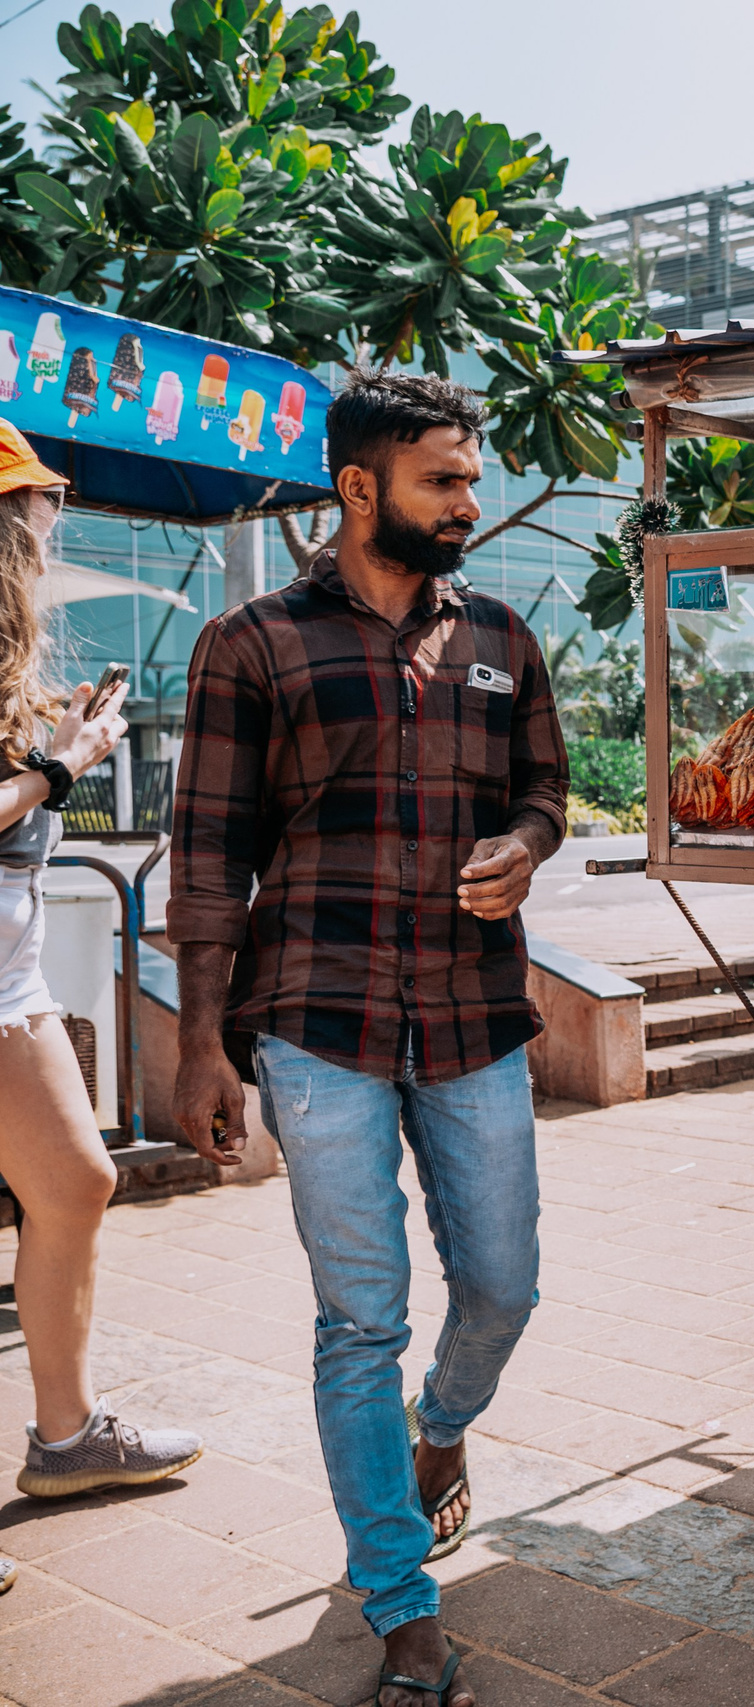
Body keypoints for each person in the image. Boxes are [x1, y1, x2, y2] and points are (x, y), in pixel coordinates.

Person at [169, 373, 567, 1707]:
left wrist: (522, 842)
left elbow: (546, 788)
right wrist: (199, 1047)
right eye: (444, 479)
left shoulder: (504, 635)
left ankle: (439, 1431)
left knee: (503, 1283)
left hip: (473, 1015)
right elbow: (210, 854)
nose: (471, 502)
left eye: (471, 476)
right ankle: (402, 1608)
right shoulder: (252, 642)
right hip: (315, 1019)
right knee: (361, 1319)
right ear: (359, 487)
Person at [0, 422, 204, 1598]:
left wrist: (55, 746)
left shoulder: (8, 651)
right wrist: (62, 769)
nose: (55, 516)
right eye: (38, 499)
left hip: (10, 981)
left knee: (77, 1182)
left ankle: (67, 1439)